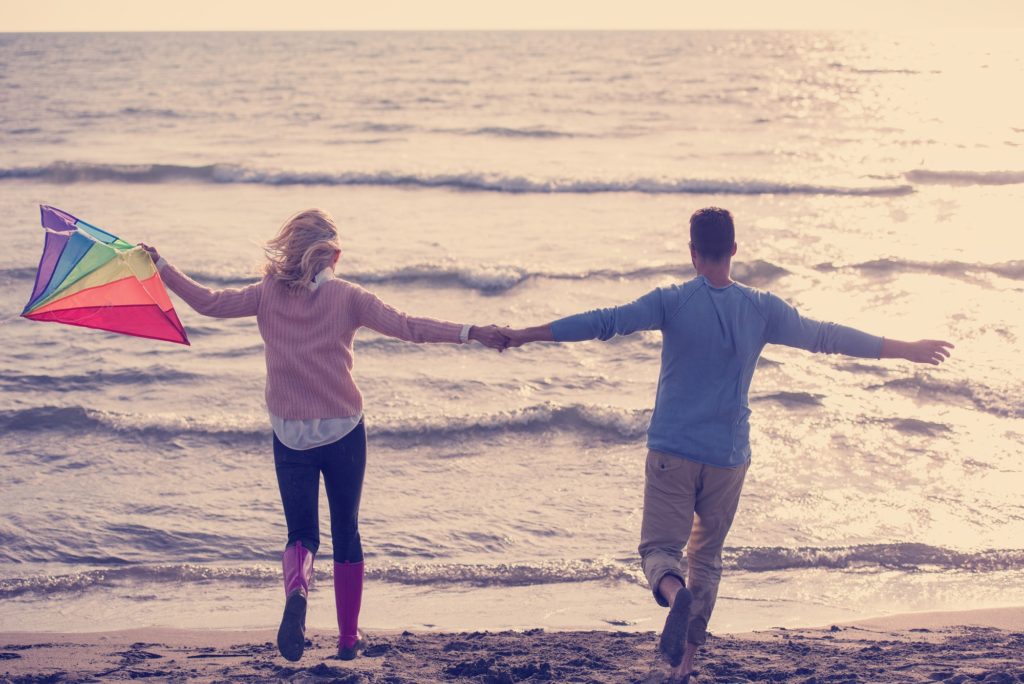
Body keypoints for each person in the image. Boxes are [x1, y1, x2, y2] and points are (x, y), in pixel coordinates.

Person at [500, 207, 952, 681]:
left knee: (659, 551)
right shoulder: (762, 308)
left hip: (673, 451)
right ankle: (683, 668)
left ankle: (676, 599)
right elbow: (826, 336)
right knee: (708, 560)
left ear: (692, 253)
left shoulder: (672, 301)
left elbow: (604, 321)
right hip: (729, 458)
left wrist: (526, 335)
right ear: (734, 250)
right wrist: (906, 348)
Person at [139, 209, 509, 663]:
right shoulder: (349, 297)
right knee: (346, 532)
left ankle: (297, 591)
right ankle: (348, 641)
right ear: (333, 254)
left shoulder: (266, 294)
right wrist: (471, 332)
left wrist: (160, 266)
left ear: (291, 252)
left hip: (290, 432)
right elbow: (410, 327)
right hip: (342, 429)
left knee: (301, 533)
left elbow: (209, 303)